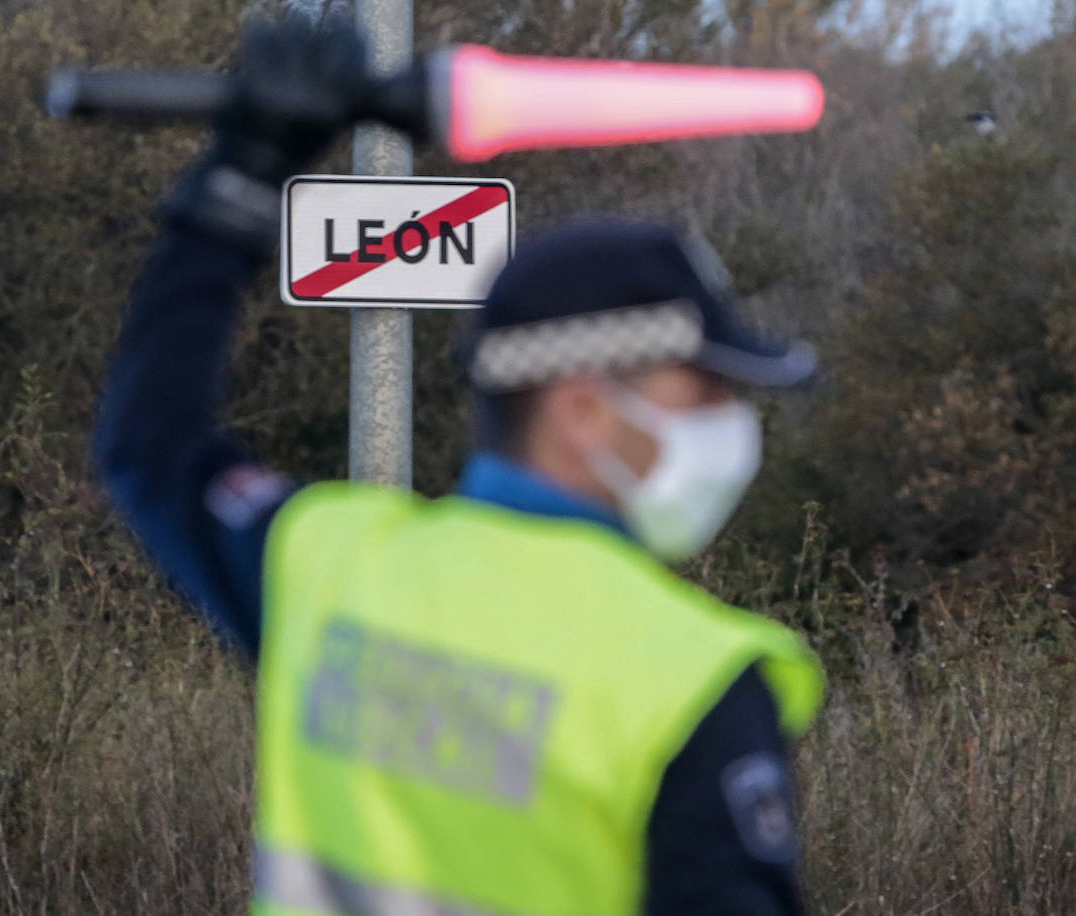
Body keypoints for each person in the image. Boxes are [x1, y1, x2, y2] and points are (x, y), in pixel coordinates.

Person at [95, 16, 824, 916]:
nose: (733, 428)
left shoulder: (329, 569)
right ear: (584, 408)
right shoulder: (685, 682)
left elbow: (148, 441)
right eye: (707, 393)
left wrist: (236, 183)